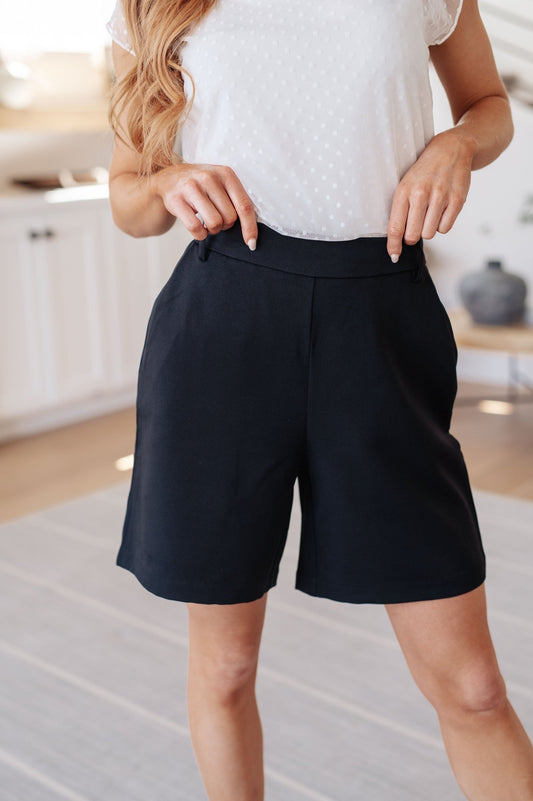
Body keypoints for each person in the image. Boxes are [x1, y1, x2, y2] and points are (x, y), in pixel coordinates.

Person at [105, 1, 533, 799]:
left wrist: (454, 145)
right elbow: (127, 202)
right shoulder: (153, 6)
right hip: (223, 328)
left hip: (382, 321)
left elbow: (488, 106)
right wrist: (166, 182)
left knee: (472, 687)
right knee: (227, 665)